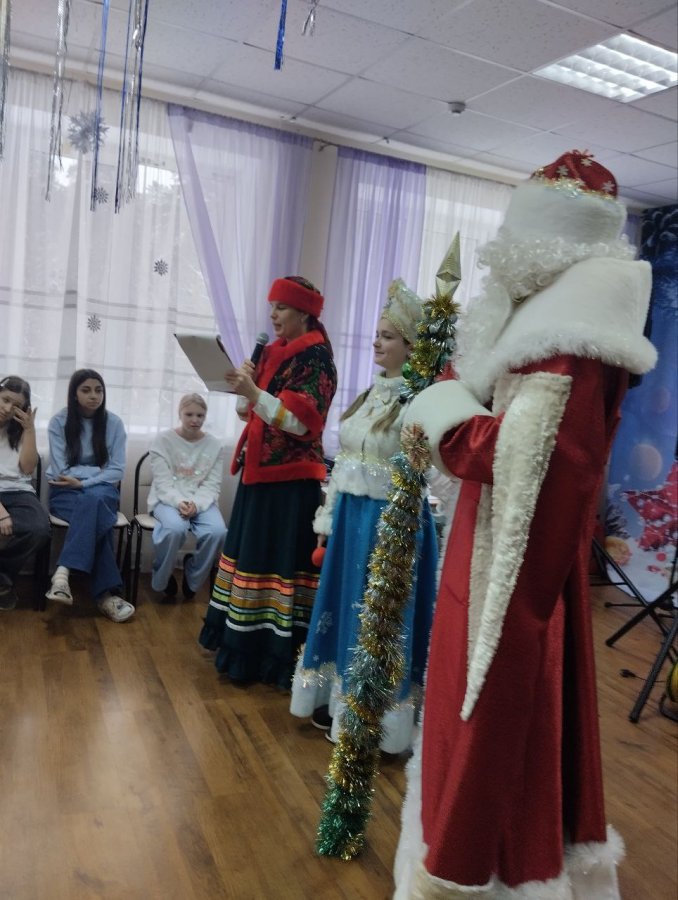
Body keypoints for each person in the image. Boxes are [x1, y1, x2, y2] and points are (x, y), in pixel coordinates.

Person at [393, 151, 657, 899]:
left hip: (511, 568)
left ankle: (486, 868)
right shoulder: (541, 312)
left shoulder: (572, 335)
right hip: (491, 546)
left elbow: (530, 459)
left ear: (545, 238)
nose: (501, 246)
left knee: (500, 714)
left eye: (515, 230)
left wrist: (439, 417)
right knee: (481, 709)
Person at [289, 279, 438, 753]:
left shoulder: (419, 400)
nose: (376, 342)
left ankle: (374, 718)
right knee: (345, 609)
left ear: (411, 346)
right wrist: (330, 517)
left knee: (377, 620)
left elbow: (425, 469)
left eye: (387, 336)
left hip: (388, 525)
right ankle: (339, 703)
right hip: (353, 519)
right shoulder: (374, 391)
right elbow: (349, 461)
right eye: (377, 334)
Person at [199, 276, 337, 687]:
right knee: (252, 560)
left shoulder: (316, 358)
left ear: (304, 313)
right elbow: (249, 412)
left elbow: (301, 423)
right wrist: (245, 389)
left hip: (289, 482)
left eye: (281, 307)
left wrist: (255, 393)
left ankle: (270, 655)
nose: (273, 315)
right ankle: (242, 644)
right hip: (259, 472)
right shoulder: (274, 351)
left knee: (275, 564)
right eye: (272, 306)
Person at [46, 369, 133, 623]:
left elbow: (118, 470)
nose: (94, 396)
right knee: (97, 518)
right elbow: (61, 470)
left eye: (99, 390)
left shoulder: (114, 423)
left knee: (93, 501)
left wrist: (84, 481)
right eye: (86, 390)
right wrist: (98, 473)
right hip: (64, 490)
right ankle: (106, 597)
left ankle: (62, 573)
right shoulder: (59, 422)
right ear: (74, 394)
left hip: (102, 491)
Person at [148, 393, 227, 600]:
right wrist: (179, 502)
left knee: (217, 532)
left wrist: (196, 505)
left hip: (202, 501)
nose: (195, 420)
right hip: (167, 500)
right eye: (189, 414)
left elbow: (212, 484)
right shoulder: (163, 440)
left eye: (200, 415)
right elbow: (163, 483)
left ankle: (194, 577)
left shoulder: (215, 445)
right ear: (180, 414)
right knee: (175, 529)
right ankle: (162, 577)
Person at [0, 376, 51, 610]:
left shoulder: (20, 429)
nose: (8, 408)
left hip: (18, 490)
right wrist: (1, 513)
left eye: (16, 405)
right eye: (5, 400)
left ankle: (2, 578)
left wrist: (29, 429)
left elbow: (28, 468)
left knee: (39, 529)